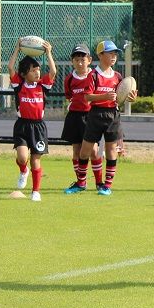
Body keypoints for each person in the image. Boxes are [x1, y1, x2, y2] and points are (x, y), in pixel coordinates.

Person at [72, 40, 137, 196]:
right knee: (85, 150)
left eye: (115, 54)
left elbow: (121, 96)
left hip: (113, 115)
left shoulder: (118, 76)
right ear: (100, 55)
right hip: (95, 114)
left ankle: (107, 186)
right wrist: (104, 96)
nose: (114, 56)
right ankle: (81, 183)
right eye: (110, 53)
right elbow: (87, 97)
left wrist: (131, 98)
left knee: (111, 150)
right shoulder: (93, 75)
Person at [7, 38, 57, 202]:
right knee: (23, 158)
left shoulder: (42, 86)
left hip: (38, 127)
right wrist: (17, 48)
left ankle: (36, 191)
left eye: (38, 70)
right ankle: (23, 170)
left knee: (35, 159)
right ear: (23, 74)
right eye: (33, 70)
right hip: (22, 126)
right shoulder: (19, 85)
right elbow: (10, 67)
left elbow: (53, 72)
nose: (37, 73)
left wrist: (48, 53)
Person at [62, 44, 103, 194]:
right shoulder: (69, 79)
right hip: (74, 117)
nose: (80, 63)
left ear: (89, 60)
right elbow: (69, 96)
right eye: (76, 60)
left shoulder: (95, 76)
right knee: (77, 151)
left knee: (94, 151)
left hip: (91, 117)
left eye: (83, 59)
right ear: (72, 61)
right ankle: (81, 182)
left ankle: (99, 182)